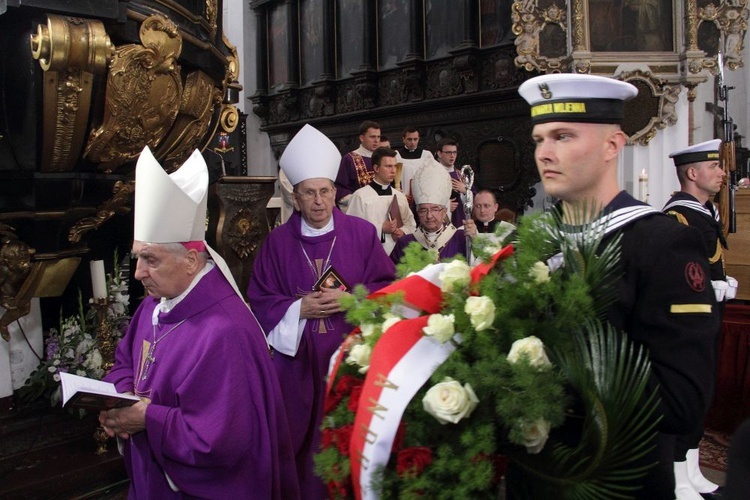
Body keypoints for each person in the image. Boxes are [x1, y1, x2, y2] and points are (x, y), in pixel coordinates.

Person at [518, 73, 719, 499]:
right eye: (539, 139)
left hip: (618, 485)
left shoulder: (661, 244)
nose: (546, 153)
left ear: (613, 145)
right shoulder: (531, 243)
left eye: (564, 135)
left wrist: (550, 368)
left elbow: (683, 401)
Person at [99, 147, 299, 499]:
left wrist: (148, 419)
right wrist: (117, 404)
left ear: (191, 261)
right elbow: (124, 364)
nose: (139, 273)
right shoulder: (153, 308)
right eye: (137, 258)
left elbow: (221, 439)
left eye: (150, 259)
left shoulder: (226, 330)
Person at [247, 124, 396, 498]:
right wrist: (298, 308)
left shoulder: (361, 234)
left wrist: (353, 300)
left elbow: (388, 287)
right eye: (309, 193)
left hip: (352, 362)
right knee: (303, 452)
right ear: (295, 198)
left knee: (354, 442)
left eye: (325, 191)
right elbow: (260, 300)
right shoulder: (277, 243)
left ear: (335, 193)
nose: (318, 201)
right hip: (297, 369)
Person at [664, 139, 737, 499]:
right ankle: (676, 474)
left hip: (709, 316)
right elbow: (680, 273)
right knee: (688, 392)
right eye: (714, 167)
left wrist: (721, 281)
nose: (722, 173)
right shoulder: (680, 215)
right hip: (690, 321)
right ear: (693, 174)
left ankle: (690, 468)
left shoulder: (704, 212)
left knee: (702, 392)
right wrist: (710, 286)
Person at [389, 163, 476, 264]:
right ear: (417, 213)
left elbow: (482, 267)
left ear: (444, 212)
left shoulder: (461, 238)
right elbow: (391, 275)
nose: (429, 216)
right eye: (423, 210)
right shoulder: (405, 243)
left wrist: (474, 240)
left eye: (435, 209)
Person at [347, 147, 417, 256]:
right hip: (371, 256)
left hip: (399, 257)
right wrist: (381, 228)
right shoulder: (360, 196)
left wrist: (403, 232)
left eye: (395, 166)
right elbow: (352, 230)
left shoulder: (399, 196)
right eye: (388, 166)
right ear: (376, 168)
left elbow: (411, 225)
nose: (393, 170)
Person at [334, 120, 381, 210]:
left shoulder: (383, 158)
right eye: (372, 137)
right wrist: (359, 200)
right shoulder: (350, 159)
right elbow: (341, 188)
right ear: (362, 138)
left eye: (378, 137)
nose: (376, 141)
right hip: (360, 208)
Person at [434, 138, 476, 229]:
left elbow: (476, 200)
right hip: (441, 223)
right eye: (448, 152)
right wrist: (446, 206)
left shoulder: (461, 175)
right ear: (439, 153)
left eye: (454, 152)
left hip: (460, 220)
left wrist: (465, 190)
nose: (452, 156)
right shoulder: (433, 175)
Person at [395, 126, 435, 201]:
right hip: (404, 196)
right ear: (403, 139)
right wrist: (400, 194)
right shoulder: (396, 155)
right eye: (409, 139)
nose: (412, 142)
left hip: (423, 197)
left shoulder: (426, 155)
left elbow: (432, 177)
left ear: (419, 139)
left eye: (415, 139)